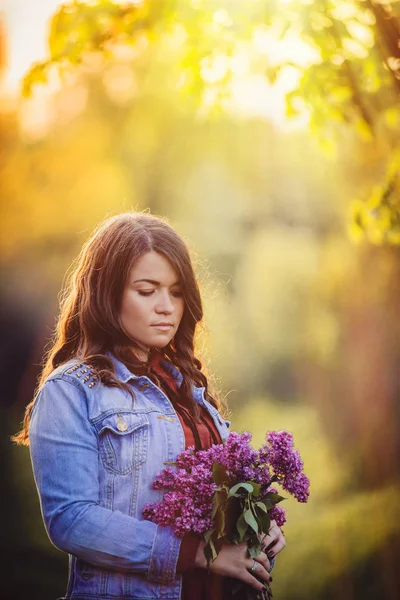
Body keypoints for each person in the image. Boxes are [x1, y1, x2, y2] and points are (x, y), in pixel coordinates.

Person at [13, 212, 285, 600]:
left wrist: (260, 524)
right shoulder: (70, 391)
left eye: (176, 292)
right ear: (107, 294)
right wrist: (200, 556)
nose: (167, 307)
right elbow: (71, 521)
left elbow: (217, 497)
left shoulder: (186, 386)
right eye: (147, 290)